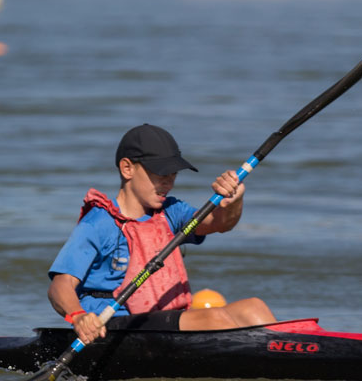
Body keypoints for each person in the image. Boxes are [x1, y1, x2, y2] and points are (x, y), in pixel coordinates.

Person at [49, 123, 276, 344]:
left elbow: (219, 223)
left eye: (173, 173)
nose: (168, 182)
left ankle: (297, 350)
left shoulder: (170, 211)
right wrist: (78, 317)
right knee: (214, 318)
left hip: (163, 320)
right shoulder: (98, 223)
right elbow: (60, 285)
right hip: (111, 326)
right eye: (160, 172)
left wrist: (232, 201)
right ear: (127, 168)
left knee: (253, 307)